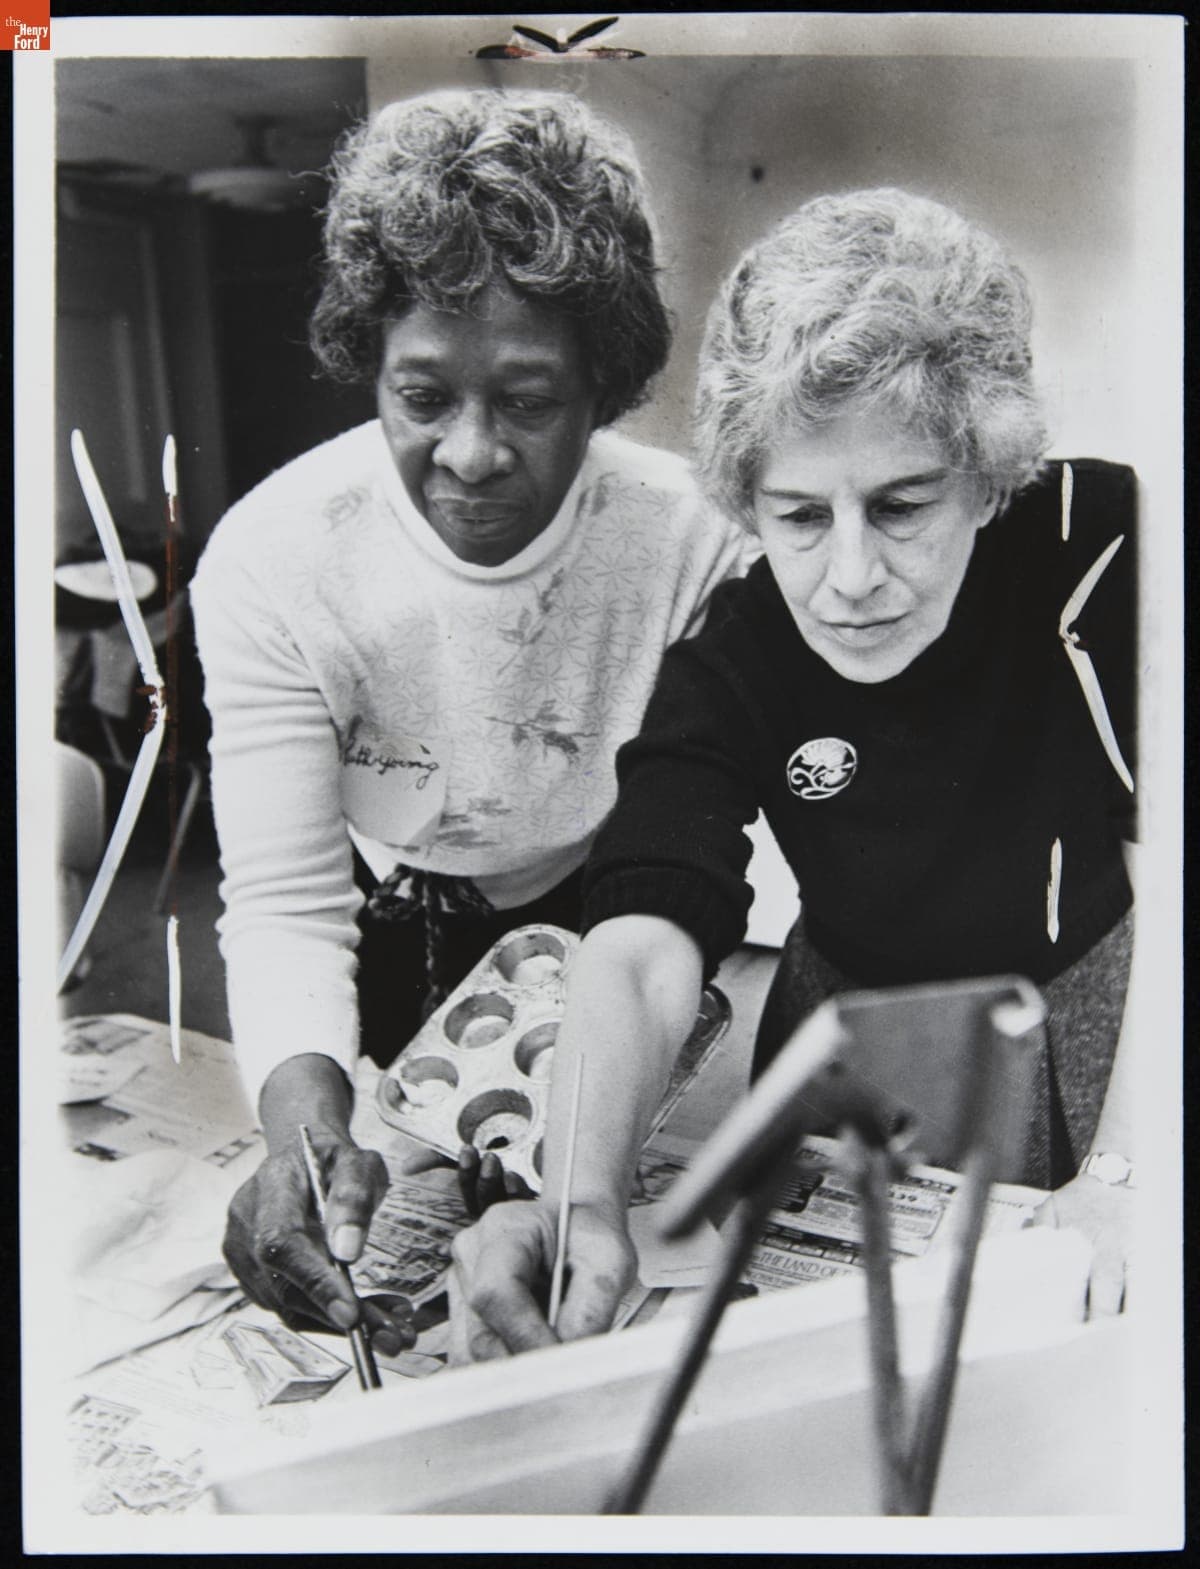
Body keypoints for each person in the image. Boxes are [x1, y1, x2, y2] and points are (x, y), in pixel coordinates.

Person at [450, 187, 1139, 1363]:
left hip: (1097, 1009)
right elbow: (643, 936)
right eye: (801, 516)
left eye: (903, 505)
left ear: (987, 476)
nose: (850, 576)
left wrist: (1127, 1169)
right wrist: (580, 1200)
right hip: (846, 1011)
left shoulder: (1117, 552)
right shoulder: (736, 651)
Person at [190, 88, 751, 1355]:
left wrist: (581, 1159)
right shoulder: (277, 560)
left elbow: (690, 878)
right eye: (423, 397)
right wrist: (302, 1130)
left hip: (627, 917)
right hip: (412, 924)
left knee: (573, 1265)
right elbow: (285, 900)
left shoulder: (694, 540)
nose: (474, 454)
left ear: (604, 384)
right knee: (397, 1234)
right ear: (368, 364)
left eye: (531, 399)